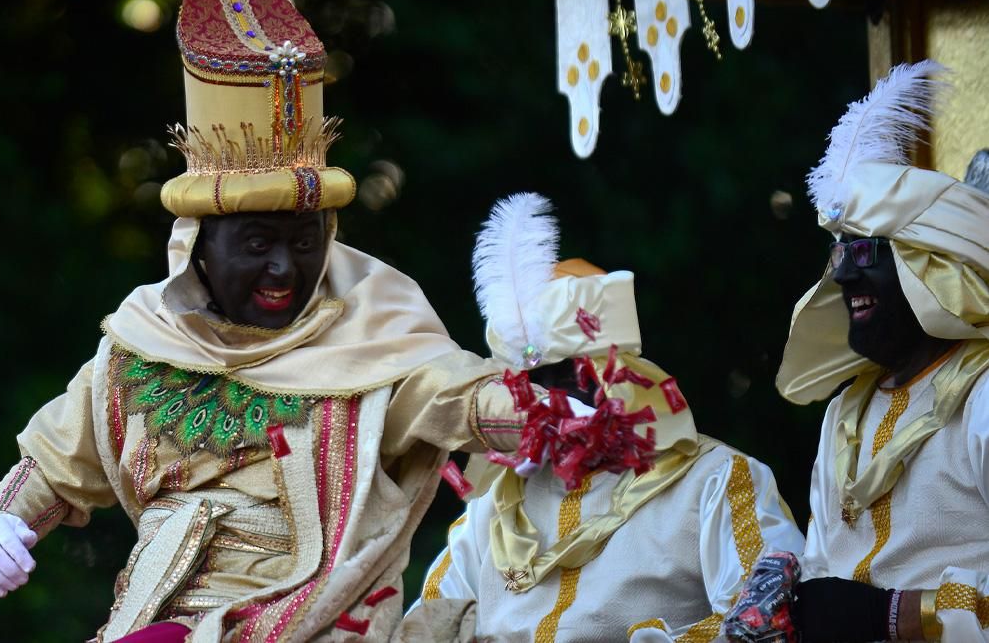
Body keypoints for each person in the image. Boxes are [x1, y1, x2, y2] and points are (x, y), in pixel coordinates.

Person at [0, 0, 535, 641]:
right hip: (156, 621)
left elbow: (460, 398)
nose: (285, 270)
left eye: (303, 240)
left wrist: (556, 406)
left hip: (315, 623)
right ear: (200, 245)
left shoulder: (374, 331)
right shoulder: (143, 342)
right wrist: (2, 522)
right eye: (257, 244)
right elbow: (56, 462)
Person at [402, 193, 803, 642]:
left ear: (622, 375)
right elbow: (428, 627)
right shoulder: (490, 511)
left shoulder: (714, 482)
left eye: (569, 376)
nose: (547, 403)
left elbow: (768, 624)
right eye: (530, 385)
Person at [761, 60, 989, 642]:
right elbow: (820, 570)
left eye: (866, 256)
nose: (842, 281)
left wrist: (895, 617)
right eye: (838, 259)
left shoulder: (983, 395)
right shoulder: (845, 412)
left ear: (932, 272)